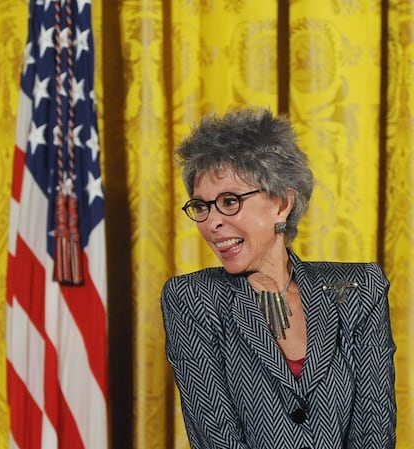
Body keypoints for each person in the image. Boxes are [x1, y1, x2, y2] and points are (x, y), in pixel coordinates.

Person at [160, 107, 396, 449]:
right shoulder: (192, 298)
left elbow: (374, 432)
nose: (211, 222)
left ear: (282, 204)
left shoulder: (359, 289)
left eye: (229, 201)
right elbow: (216, 438)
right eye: (201, 206)